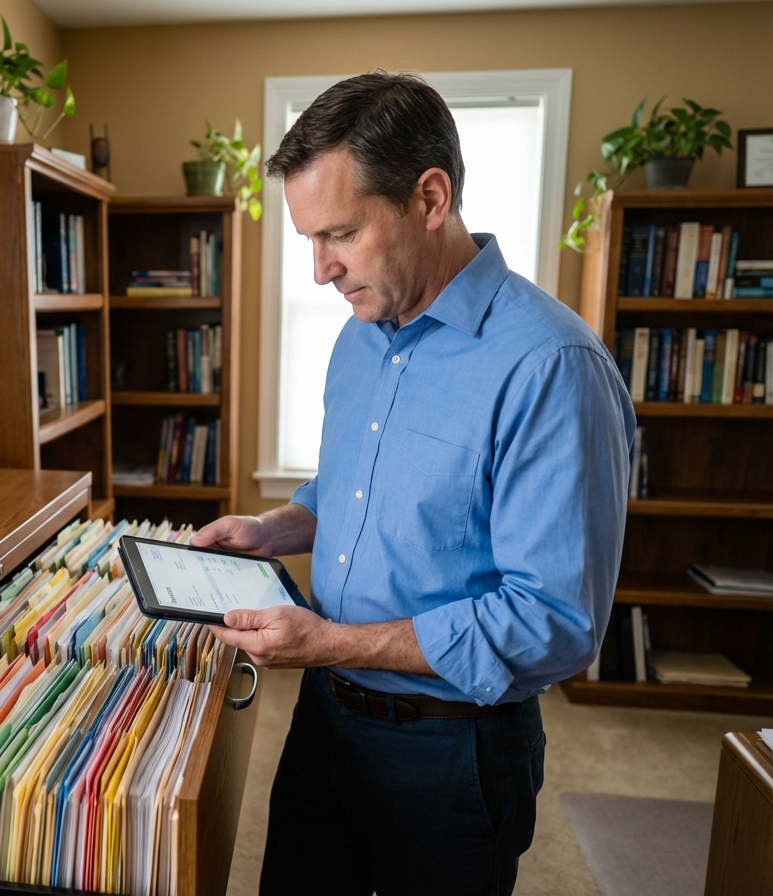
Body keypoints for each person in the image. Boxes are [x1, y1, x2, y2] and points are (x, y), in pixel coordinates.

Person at [192, 71, 634, 896]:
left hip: (455, 751)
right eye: (309, 243)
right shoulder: (360, 334)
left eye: (341, 235)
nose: (321, 271)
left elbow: (554, 622)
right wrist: (275, 529)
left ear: (430, 197)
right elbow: (352, 493)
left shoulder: (552, 367)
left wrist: (327, 642)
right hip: (325, 724)